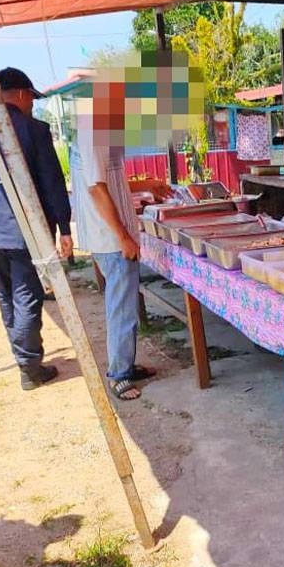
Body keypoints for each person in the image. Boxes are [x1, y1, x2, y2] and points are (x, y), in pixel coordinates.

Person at [0, 67, 72, 390]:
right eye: (31, 99)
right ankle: (29, 366)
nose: (32, 104)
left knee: (6, 295)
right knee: (26, 295)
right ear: (21, 95)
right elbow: (52, 182)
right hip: (24, 231)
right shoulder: (33, 129)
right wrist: (64, 226)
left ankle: (24, 356)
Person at [72, 90, 169, 400]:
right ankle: (119, 375)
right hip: (111, 239)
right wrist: (123, 236)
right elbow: (97, 189)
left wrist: (148, 185)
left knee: (124, 305)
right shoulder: (94, 132)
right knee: (122, 308)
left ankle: (125, 363)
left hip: (114, 236)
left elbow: (112, 182)